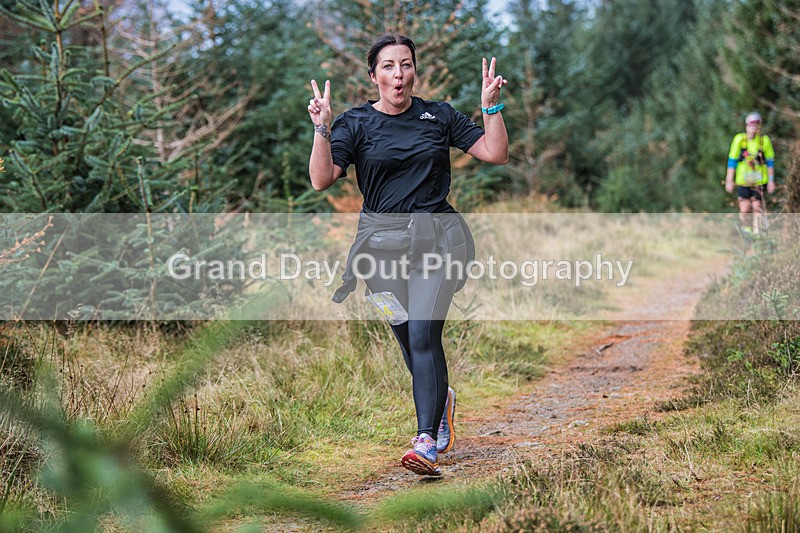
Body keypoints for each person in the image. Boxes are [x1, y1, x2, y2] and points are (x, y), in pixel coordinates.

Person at [307, 33, 508, 476]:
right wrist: (323, 128)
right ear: (374, 75)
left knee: (421, 334)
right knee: (405, 333)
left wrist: (490, 106)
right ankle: (442, 398)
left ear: (415, 70)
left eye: (406, 65)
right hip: (378, 250)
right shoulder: (354, 124)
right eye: (389, 66)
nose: (399, 74)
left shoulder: (439, 116)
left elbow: (495, 153)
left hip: (439, 240)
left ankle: (425, 440)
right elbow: (322, 179)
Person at [725, 112, 776, 234]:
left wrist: (771, 181)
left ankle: (757, 234)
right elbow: (732, 161)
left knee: (757, 207)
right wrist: (729, 180)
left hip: (759, 180)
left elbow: (770, 162)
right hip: (743, 180)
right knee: (744, 207)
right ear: (746, 126)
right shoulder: (739, 140)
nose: (753, 128)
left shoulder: (764, 141)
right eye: (751, 125)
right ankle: (746, 232)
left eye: (756, 125)